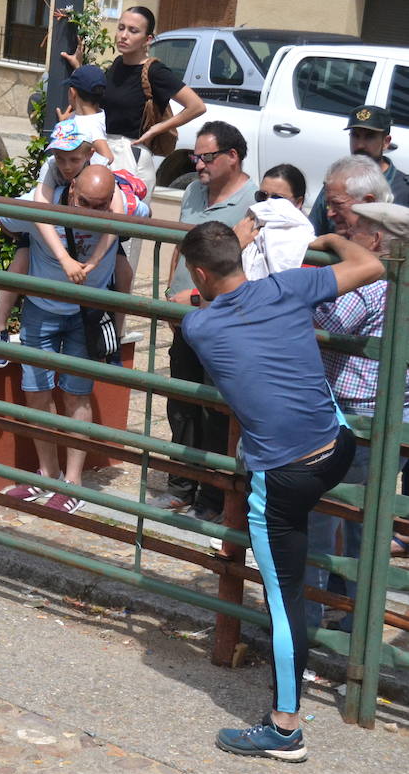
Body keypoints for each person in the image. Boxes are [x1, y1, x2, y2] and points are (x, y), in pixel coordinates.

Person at [177, 221, 384, 762]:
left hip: (283, 477)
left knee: (284, 598)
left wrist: (234, 244)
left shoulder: (199, 325)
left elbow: (213, 288)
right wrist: (333, 239)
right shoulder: (288, 286)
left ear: (199, 273)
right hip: (338, 450)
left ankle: (285, 727)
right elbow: (371, 266)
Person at [301, 202, 409, 632]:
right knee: (366, 527)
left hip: (356, 418)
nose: (342, 232)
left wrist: (323, 250)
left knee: (318, 521)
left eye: (353, 230)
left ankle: (310, 624)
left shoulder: (370, 281)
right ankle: (354, 624)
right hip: (393, 414)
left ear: (376, 241)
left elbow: (319, 315)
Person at [0, 164, 121, 516]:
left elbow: (138, 209)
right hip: (41, 309)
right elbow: (1, 214)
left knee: (77, 394)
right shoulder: (45, 201)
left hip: (87, 314)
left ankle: (73, 483)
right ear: (72, 188)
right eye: (85, 203)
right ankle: (47, 474)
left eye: (101, 206)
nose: (92, 214)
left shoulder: (120, 205)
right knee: (36, 392)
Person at [150, 120, 257, 521]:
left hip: (222, 321)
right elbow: (183, 247)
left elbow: (241, 269)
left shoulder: (252, 201)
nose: (198, 164)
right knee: (181, 405)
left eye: (207, 157)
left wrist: (194, 296)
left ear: (233, 156)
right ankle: (181, 485)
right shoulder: (193, 192)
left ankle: (213, 497)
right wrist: (169, 294)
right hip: (185, 319)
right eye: (196, 156)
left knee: (217, 410)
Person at [0, 120, 132, 361]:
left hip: (92, 230)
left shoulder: (99, 169)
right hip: (48, 228)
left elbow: (116, 216)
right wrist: (63, 258)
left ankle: (115, 336)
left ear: (89, 155)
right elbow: (39, 207)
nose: (66, 166)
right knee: (21, 262)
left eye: (74, 160)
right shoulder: (51, 167)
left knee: (124, 271)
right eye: (60, 158)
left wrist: (95, 261)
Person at [63, 5, 205, 208]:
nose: (124, 35)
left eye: (133, 30)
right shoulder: (117, 64)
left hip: (130, 156)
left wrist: (157, 128)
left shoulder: (155, 71)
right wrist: (79, 67)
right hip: (104, 152)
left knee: (123, 231)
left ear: (148, 39)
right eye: (121, 28)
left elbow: (196, 106)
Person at [310, 106, 409, 235]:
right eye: (355, 136)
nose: (360, 145)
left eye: (369, 137)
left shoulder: (403, 191)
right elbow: (313, 233)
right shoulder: (335, 183)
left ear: (386, 142)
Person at [313, 154, 395, 240]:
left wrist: (334, 242)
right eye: (328, 205)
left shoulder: (395, 249)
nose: (329, 214)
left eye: (338, 204)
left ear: (369, 203)